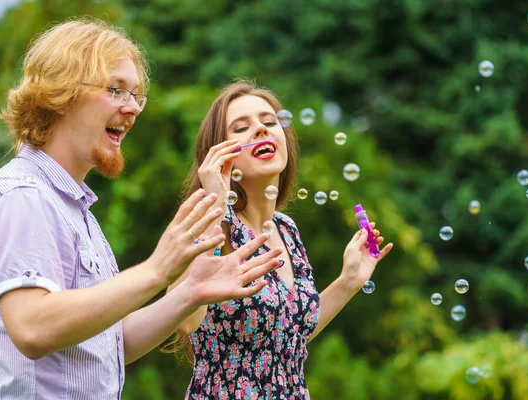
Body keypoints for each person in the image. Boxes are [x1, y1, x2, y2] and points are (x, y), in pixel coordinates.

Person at [0, 19, 281, 399]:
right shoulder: (24, 196)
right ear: (61, 93)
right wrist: (158, 270)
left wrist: (188, 293)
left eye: (136, 95)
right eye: (116, 90)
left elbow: (109, 347)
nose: (134, 108)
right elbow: (32, 328)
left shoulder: (75, 210)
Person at [164, 79, 394, 399]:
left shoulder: (286, 229)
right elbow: (185, 322)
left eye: (270, 122)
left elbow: (288, 336)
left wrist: (349, 280)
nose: (261, 129)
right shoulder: (210, 223)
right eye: (241, 128)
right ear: (218, 153)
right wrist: (214, 204)